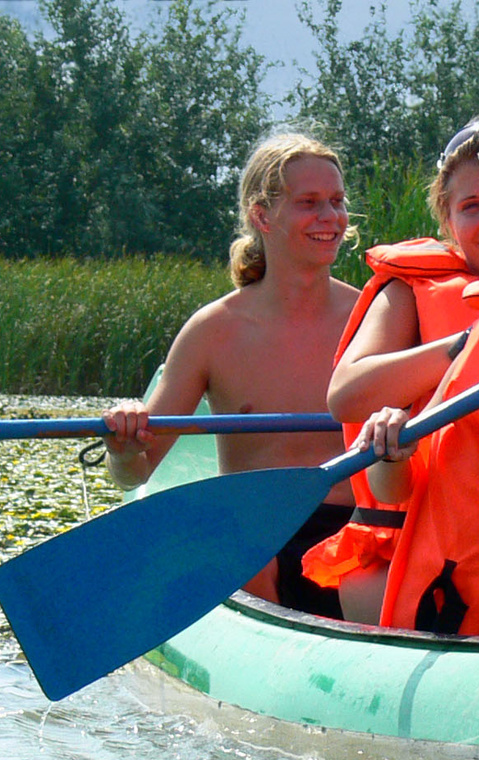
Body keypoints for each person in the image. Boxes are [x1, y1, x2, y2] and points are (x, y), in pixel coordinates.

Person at [303, 116, 479, 622]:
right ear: (447, 220)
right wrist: (473, 346)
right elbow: (346, 394)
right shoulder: (410, 294)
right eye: (472, 207)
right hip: (410, 563)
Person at [102, 132, 359, 617]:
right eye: (309, 203)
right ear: (263, 216)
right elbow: (135, 471)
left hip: (357, 534)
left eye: (337, 202)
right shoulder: (213, 330)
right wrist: (124, 445)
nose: (331, 218)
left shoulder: (374, 315)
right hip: (254, 539)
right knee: (244, 560)